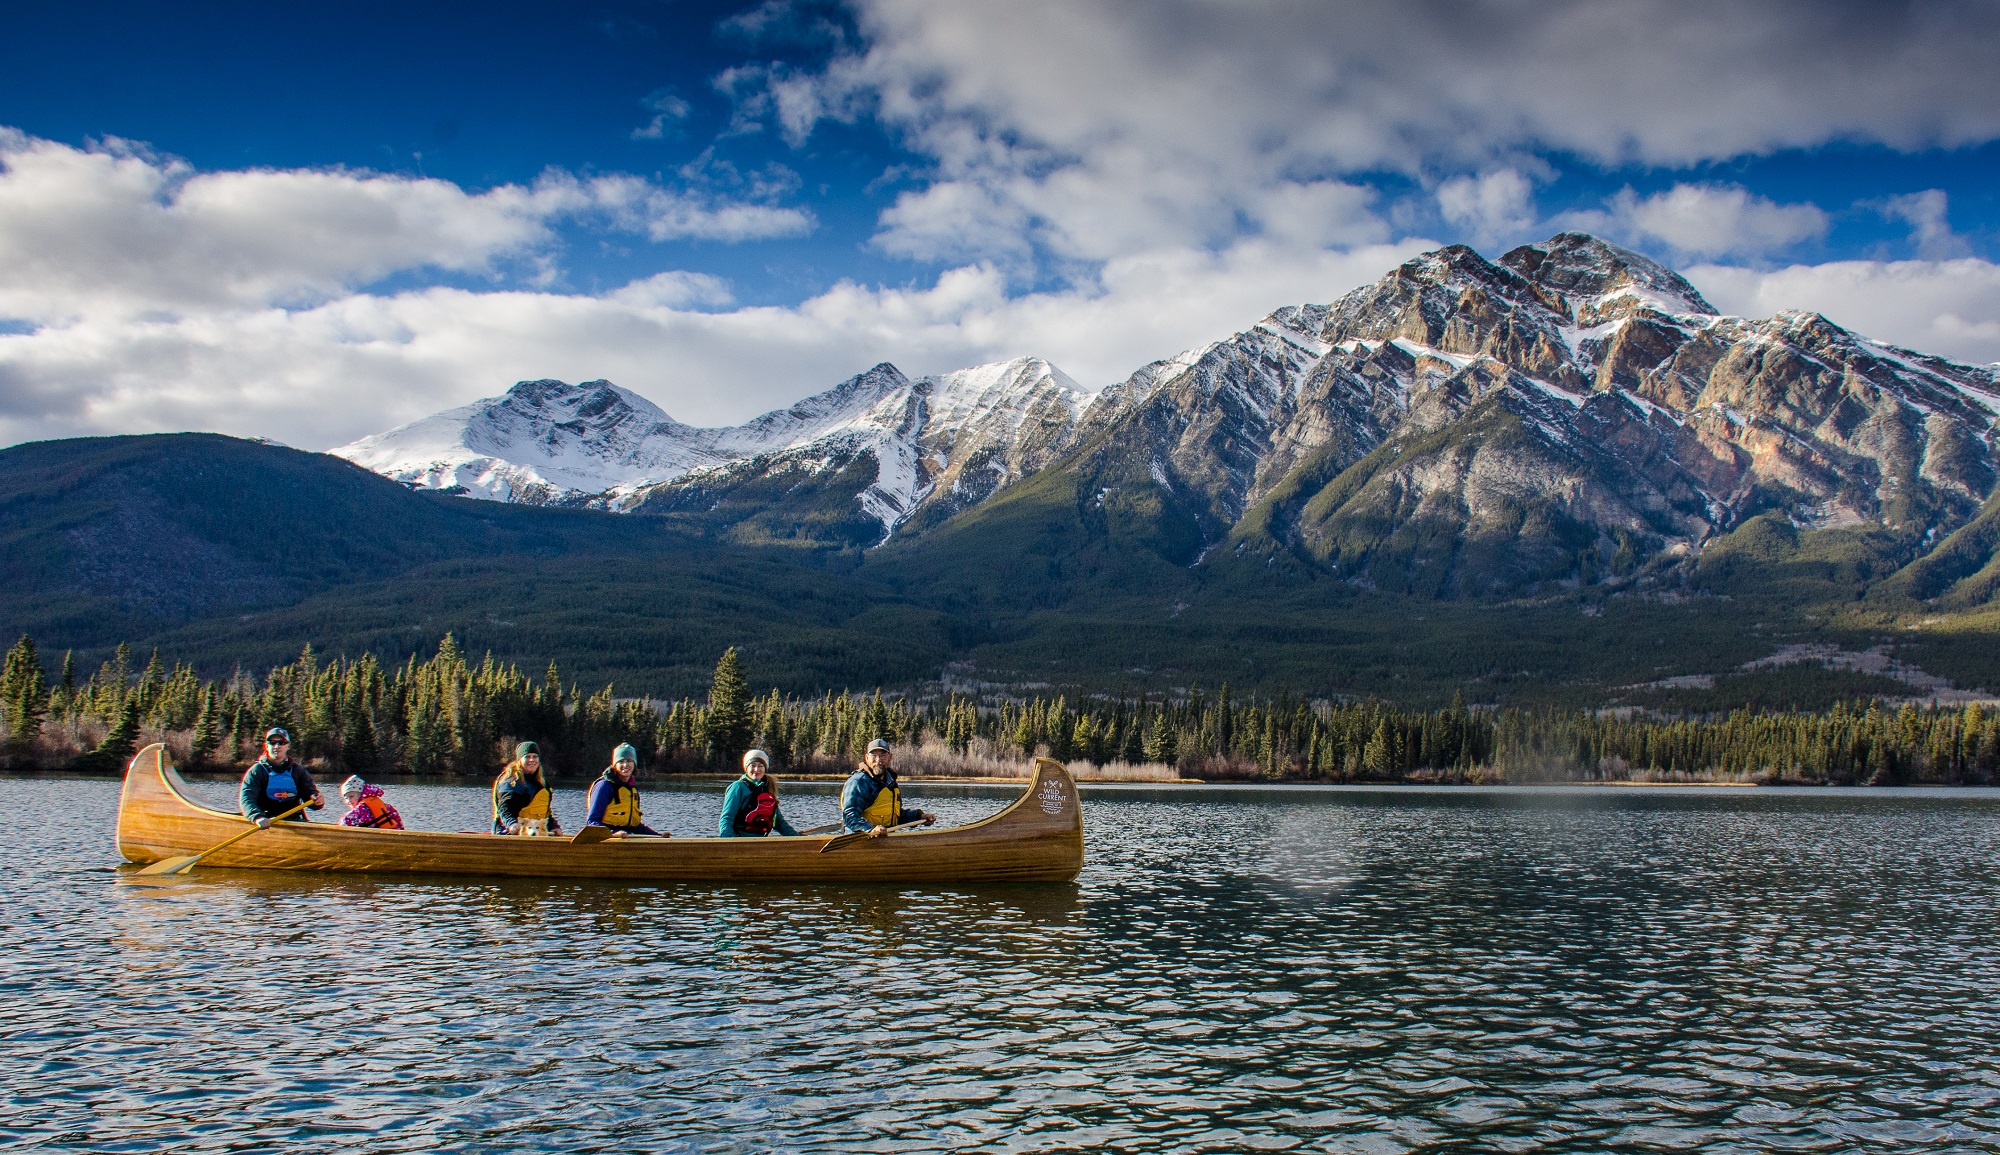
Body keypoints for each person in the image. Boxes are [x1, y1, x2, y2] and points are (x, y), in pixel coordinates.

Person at [841, 737, 936, 837]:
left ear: (890, 757)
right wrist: (871, 829)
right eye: (874, 755)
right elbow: (849, 816)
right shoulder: (858, 782)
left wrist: (919, 817)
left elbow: (895, 816)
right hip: (860, 841)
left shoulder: (891, 783)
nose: (878, 760)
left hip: (885, 841)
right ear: (866, 758)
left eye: (883, 755)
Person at [239, 727, 325, 828]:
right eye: (272, 742)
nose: (277, 746)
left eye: (281, 742)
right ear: (266, 746)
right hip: (266, 821)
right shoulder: (256, 771)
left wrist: (317, 800)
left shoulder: (298, 771)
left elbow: (310, 796)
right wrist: (257, 817)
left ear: (288, 745)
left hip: (294, 821)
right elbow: (246, 799)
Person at [584, 743, 664, 836]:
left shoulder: (631, 789)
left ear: (634, 764)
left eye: (629, 761)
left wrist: (658, 836)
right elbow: (592, 822)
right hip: (606, 838)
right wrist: (613, 834)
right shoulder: (604, 786)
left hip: (625, 837)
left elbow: (635, 826)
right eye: (621, 761)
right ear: (615, 765)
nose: (625, 765)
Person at [719, 748, 801, 837]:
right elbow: (727, 818)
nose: (757, 769)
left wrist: (797, 838)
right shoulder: (738, 787)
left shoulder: (767, 789)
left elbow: (779, 823)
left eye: (760, 766)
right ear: (746, 769)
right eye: (753, 765)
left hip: (760, 841)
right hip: (740, 840)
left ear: (765, 768)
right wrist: (729, 841)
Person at [492, 741, 562, 836]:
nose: (532, 760)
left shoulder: (542, 784)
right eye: (527, 757)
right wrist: (512, 824)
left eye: (535, 756)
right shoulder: (512, 782)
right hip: (511, 834)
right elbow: (505, 809)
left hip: (535, 834)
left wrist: (554, 826)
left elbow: (545, 813)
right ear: (520, 760)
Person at [339, 775, 405, 830]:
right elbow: (396, 818)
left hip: (384, 836)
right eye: (346, 798)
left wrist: (339, 828)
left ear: (360, 794)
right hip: (391, 834)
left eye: (351, 796)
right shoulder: (382, 804)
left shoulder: (362, 807)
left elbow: (346, 821)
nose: (348, 800)